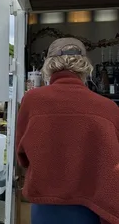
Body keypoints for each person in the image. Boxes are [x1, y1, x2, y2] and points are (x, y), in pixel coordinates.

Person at [16, 38, 119, 224]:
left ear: (49, 66)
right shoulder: (109, 108)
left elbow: (21, 156)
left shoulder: (32, 100)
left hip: (45, 205)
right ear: (85, 67)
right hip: (92, 208)